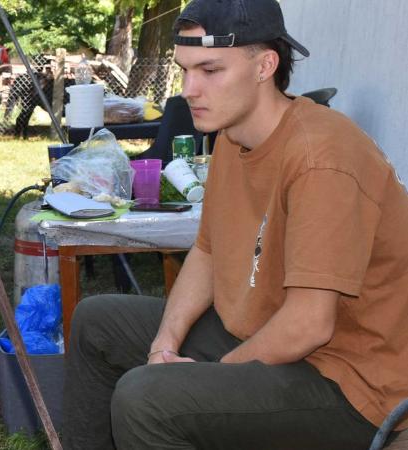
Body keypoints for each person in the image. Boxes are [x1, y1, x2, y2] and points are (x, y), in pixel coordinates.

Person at [63, 0, 408, 449]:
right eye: (185, 71)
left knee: (146, 400)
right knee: (97, 321)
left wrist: (207, 380)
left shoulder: (322, 158)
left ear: (265, 65)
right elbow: (207, 251)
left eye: (210, 70)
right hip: (268, 337)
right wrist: (161, 349)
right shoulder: (232, 136)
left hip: (350, 383)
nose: (190, 89)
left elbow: (309, 325)